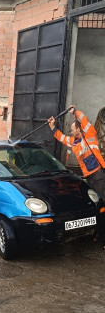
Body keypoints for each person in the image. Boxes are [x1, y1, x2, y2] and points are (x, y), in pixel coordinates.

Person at [48, 105, 105, 247]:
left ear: (79, 130)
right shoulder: (74, 142)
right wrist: (53, 127)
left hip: (99, 175)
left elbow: (84, 120)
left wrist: (75, 112)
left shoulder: (90, 134)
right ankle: (99, 234)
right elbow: (61, 138)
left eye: (73, 129)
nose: (71, 131)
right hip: (90, 178)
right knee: (97, 206)